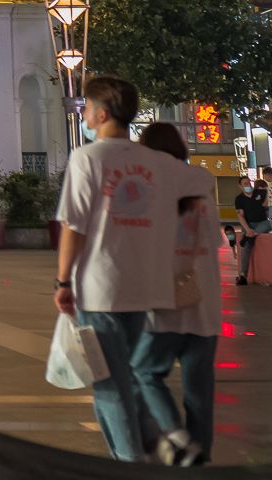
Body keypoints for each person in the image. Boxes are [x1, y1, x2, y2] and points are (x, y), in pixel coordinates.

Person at [53, 75, 210, 465]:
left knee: (109, 383)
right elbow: (203, 179)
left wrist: (61, 281)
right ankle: (145, 446)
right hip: (146, 289)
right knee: (126, 376)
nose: (84, 114)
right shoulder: (156, 163)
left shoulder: (86, 158)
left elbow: (73, 226)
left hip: (101, 287)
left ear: (102, 113)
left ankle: (129, 460)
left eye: (87, 107)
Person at [131, 123, 220, 466]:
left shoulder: (150, 192)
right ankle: (200, 458)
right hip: (205, 304)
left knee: (145, 372)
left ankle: (178, 437)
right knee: (200, 394)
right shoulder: (202, 192)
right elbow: (212, 243)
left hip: (165, 302)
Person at [232, 178, 268, 285]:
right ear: (240, 186)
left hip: (262, 222)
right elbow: (240, 216)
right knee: (246, 247)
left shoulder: (260, 193)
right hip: (249, 225)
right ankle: (243, 275)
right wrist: (247, 229)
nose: (248, 185)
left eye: (249, 182)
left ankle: (250, 236)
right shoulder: (239, 199)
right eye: (245, 183)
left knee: (268, 224)